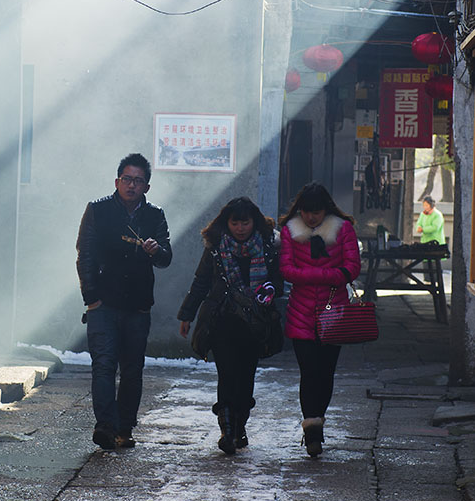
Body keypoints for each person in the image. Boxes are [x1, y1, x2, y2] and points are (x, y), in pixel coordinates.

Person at [76, 153, 172, 452]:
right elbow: (85, 255)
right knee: (103, 365)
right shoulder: (98, 210)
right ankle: (105, 425)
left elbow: (166, 258)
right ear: (117, 181)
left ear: (147, 186)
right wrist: (91, 298)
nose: (132, 185)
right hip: (103, 302)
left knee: (132, 369)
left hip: (138, 304)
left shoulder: (154, 216)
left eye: (138, 181)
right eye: (127, 179)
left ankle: (125, 427)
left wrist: (157, 251)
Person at [177, 196, 281, 455]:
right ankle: (227, 431)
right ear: (227, 223)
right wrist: (186, 314)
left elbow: (278, 281)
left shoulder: (267, 246)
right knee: (227, 374)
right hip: (222, 320)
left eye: (245, 222)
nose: (241, 228)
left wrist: (269, 290)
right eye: (235, 223)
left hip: (254, 323)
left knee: (246, 377)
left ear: (253, 222)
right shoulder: (216, 247)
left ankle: (239, 425)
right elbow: (201, 281)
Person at [279, 182, 361, 458]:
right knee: (309, 371)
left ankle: (318, 419)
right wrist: (329, 275)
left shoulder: (343, 230)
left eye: (316, 212)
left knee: (325, 372)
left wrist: (313, 275)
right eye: (306, 212)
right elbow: (286, 269)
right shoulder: (290, 232)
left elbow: (352, 267)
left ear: (325, 210)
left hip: (334, 313)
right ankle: (312, 429)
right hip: (300, 313)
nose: (310, 217)